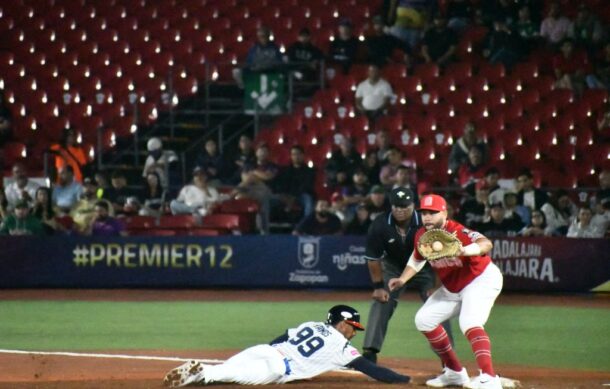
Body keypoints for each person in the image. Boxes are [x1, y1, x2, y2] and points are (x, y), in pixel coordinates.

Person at [389, 194, 504, 389]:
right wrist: (402, 279)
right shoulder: (422, 236)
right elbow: (417, 260)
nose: (427, 217)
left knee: (470, 322)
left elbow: (486, 244)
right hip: (453, 288)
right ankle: (455, 372)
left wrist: (463, 251)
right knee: (424, 320)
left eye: (432, 213)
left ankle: (489, 378)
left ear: (444, 213)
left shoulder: (457, 231)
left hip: (481, 279)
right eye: (424, 213)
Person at [163, 305, 410, 387]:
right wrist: (402, 380)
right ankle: (201, 373)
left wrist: (271, 352)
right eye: (352, 326)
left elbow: (282, 338)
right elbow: (371, 369)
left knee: (230, 369)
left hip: (266, 349)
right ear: (341, 323)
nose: (354, 331)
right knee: (236, 376)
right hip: (279, 368)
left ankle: (201, 372)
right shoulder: (342, 348)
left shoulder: (312, 324)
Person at [362, 187, 453, 363]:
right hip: (394, 267)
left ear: (413, 205)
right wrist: (378, 287)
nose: (400, 210)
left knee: (439, 304)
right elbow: (373, 259)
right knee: (382, 300)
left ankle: (448, 357)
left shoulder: (428, 223)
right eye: (396, 206)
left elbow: (443, 257)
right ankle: (370, 352)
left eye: (405, 206)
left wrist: (436, 286)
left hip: (426, 266)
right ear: (391, 206)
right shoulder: (380, 225)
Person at [276, 145, 316, 220]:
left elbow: (306, 186)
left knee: (308, 200)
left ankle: (306, 226)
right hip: (286, 195)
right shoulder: (285, 170)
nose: (296, 156)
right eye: (294, 154)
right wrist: (285, 195)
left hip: (301, 195)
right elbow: (281, 185)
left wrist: (293, 197)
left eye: (298, 154)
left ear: (303, 155)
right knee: (271, 199)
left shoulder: (309, 171)